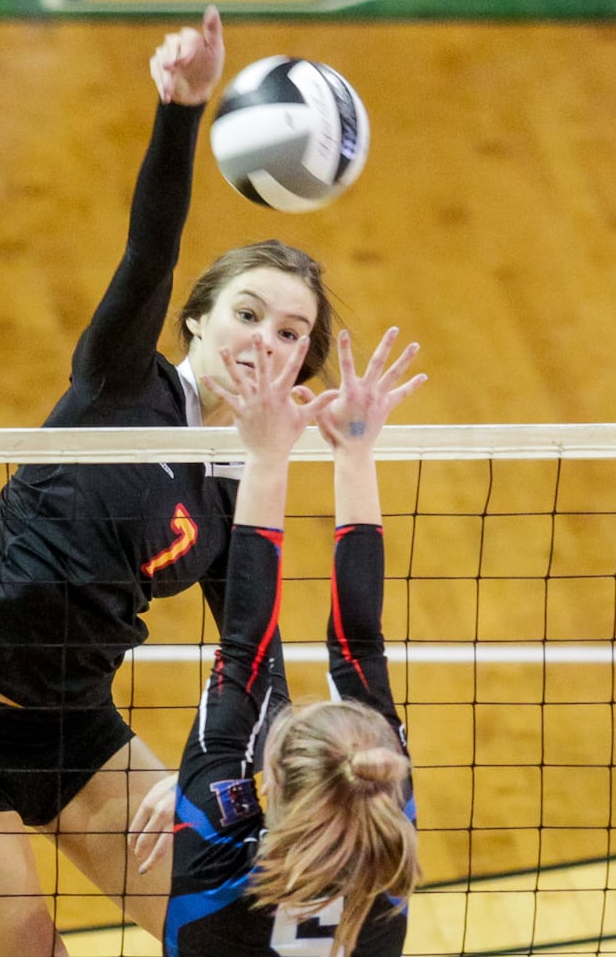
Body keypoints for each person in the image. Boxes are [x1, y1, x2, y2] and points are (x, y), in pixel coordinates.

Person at [0, 9, 338, 954]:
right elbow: (150, 251)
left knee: (231, 935)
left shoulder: (236, 480)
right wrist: (181, 110)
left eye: (291, 335)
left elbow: (254, 644)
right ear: (197, 321)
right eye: (249, 313)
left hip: (80, 735)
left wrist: (222, 779)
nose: (266, 341)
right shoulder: (123, 381)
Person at [164, 327, 424, 955]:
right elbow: (244, 649)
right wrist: (278, 456)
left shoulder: (394, 820)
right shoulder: (384, 857)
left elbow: (358, 643)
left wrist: (344, 452)